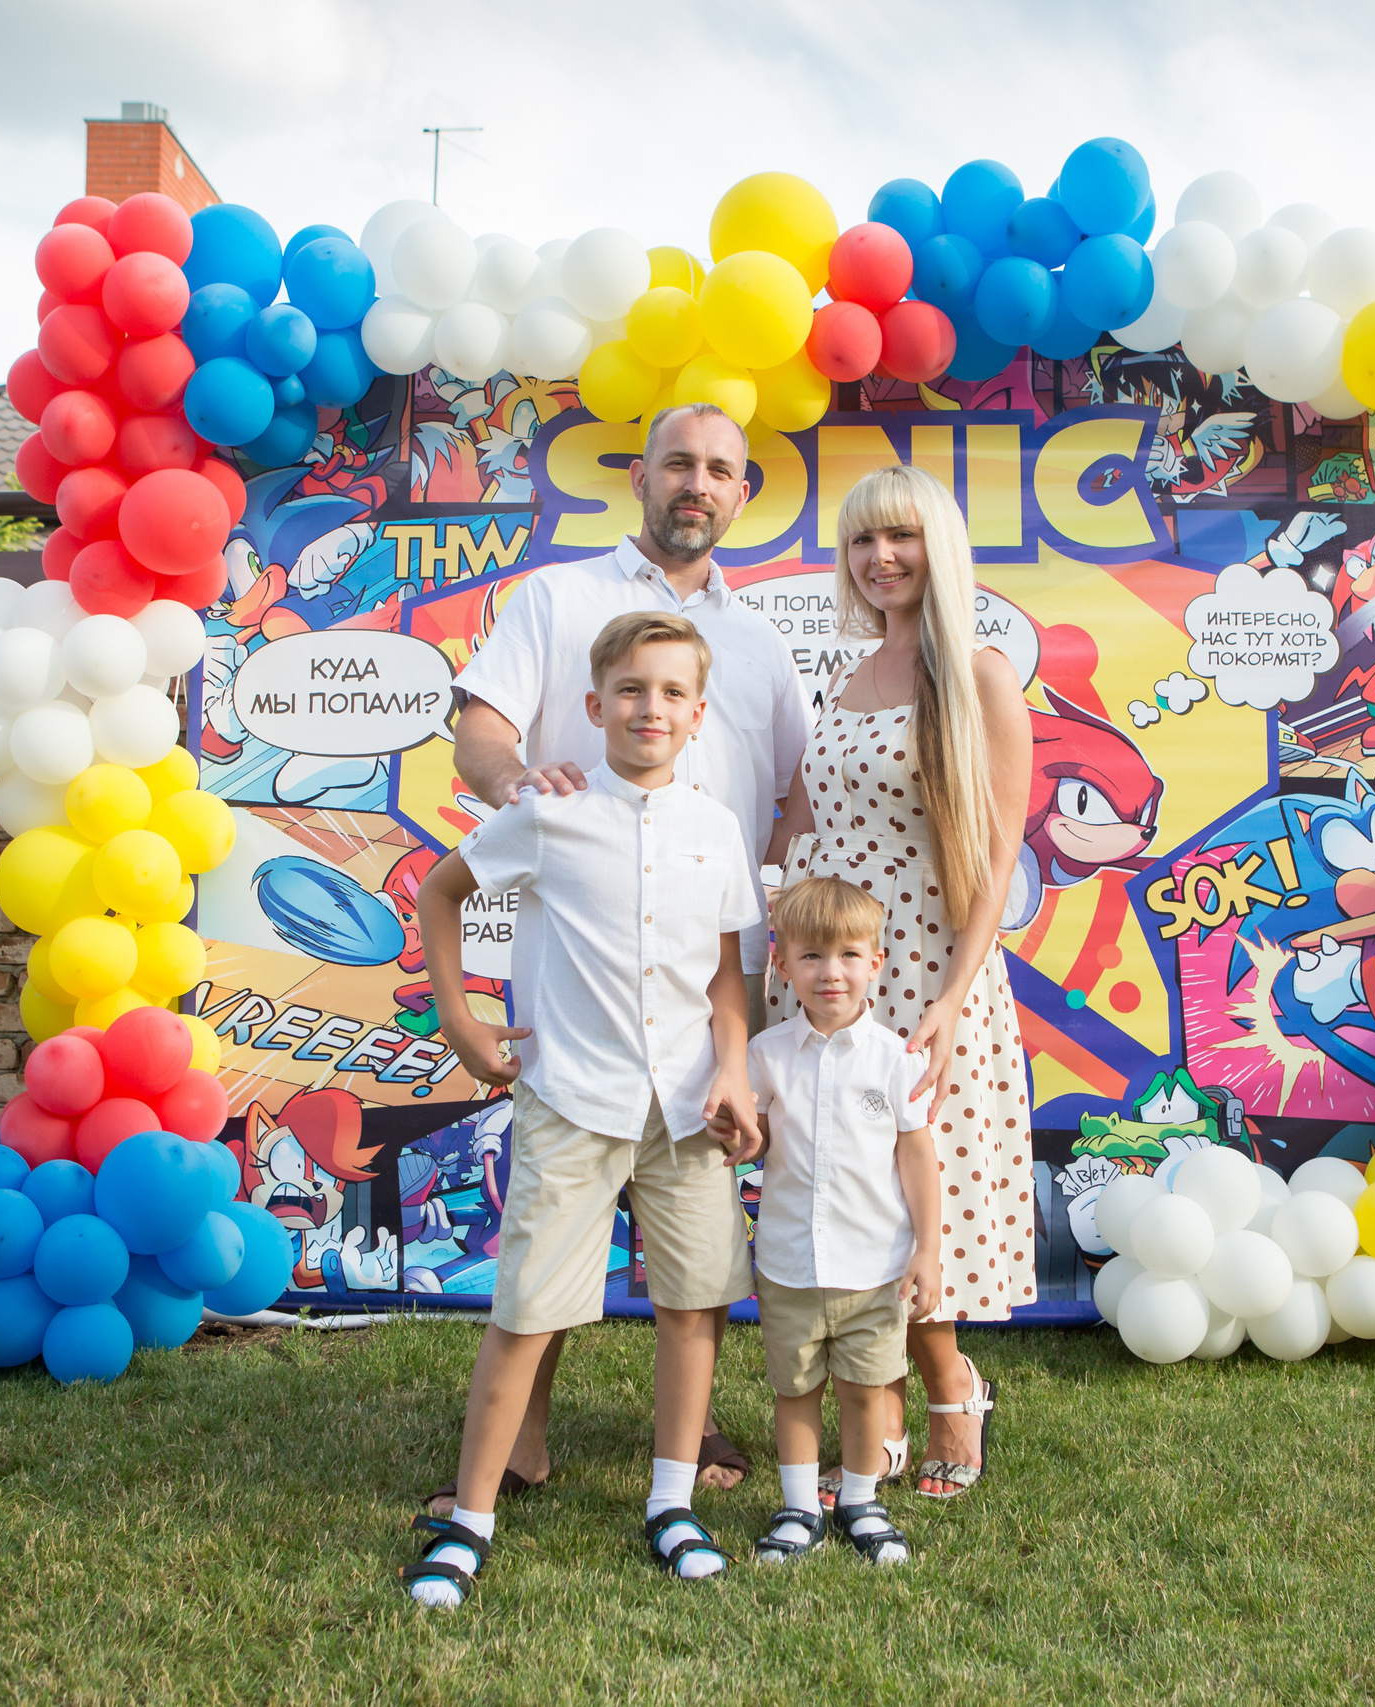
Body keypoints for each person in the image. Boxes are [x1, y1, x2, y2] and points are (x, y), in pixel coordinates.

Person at [438, 400, 806, 1510]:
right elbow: (481, 729)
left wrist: (754, 904)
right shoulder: (559, 597)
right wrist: (519, 793)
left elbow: (783, 795)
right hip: (584, 965)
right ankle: (521, 1438)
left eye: (719, 471)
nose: (697, 484)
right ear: (639, 476)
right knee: (560, 1208)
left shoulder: (755, 641)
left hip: (710, 978)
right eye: (678, 464)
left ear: (741, 495)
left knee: (697, 1246)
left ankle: (677, 1457)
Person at [401, 611, 764, 1610]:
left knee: (694, 1306)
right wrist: (459, 1015)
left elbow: (727, 981)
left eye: (672, 694)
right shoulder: (550, 814)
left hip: (689, 1111)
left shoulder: (717, 830)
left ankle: (671, 1499)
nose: (652, 708)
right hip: (572, 1100)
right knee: (526, 1311)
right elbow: (442, 891)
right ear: (596, 707)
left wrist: (731, 1069)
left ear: (698, 715)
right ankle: (468, 1517)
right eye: (632, 691)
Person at [764, 463, 1033, 1503]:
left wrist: (955, 996)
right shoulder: (843, 675)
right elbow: (804, 824)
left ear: (939, 548)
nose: (881, 558)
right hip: (830, 973)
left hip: (925, 969)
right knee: (840, 1186)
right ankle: (868, 1424)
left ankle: (950, 1390)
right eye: (863, 541)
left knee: (923, 1192)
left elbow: (994, 857)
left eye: (902, 538)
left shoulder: (977, 674)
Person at [744, 877, 941, 1567]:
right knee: (794, 1389)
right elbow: (756, 1137)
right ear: (784, 964)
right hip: (790, 1262)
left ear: (877, 963)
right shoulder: (767, 1055)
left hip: (875, 1266)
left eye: (850, 955)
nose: (832, 972)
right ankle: (799, 1507)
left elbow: (917, 1155)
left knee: (865, 1390)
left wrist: (928, 1250)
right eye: (812, 956)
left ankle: (860, 1499)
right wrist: (743, 1134)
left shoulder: (895, 1059)